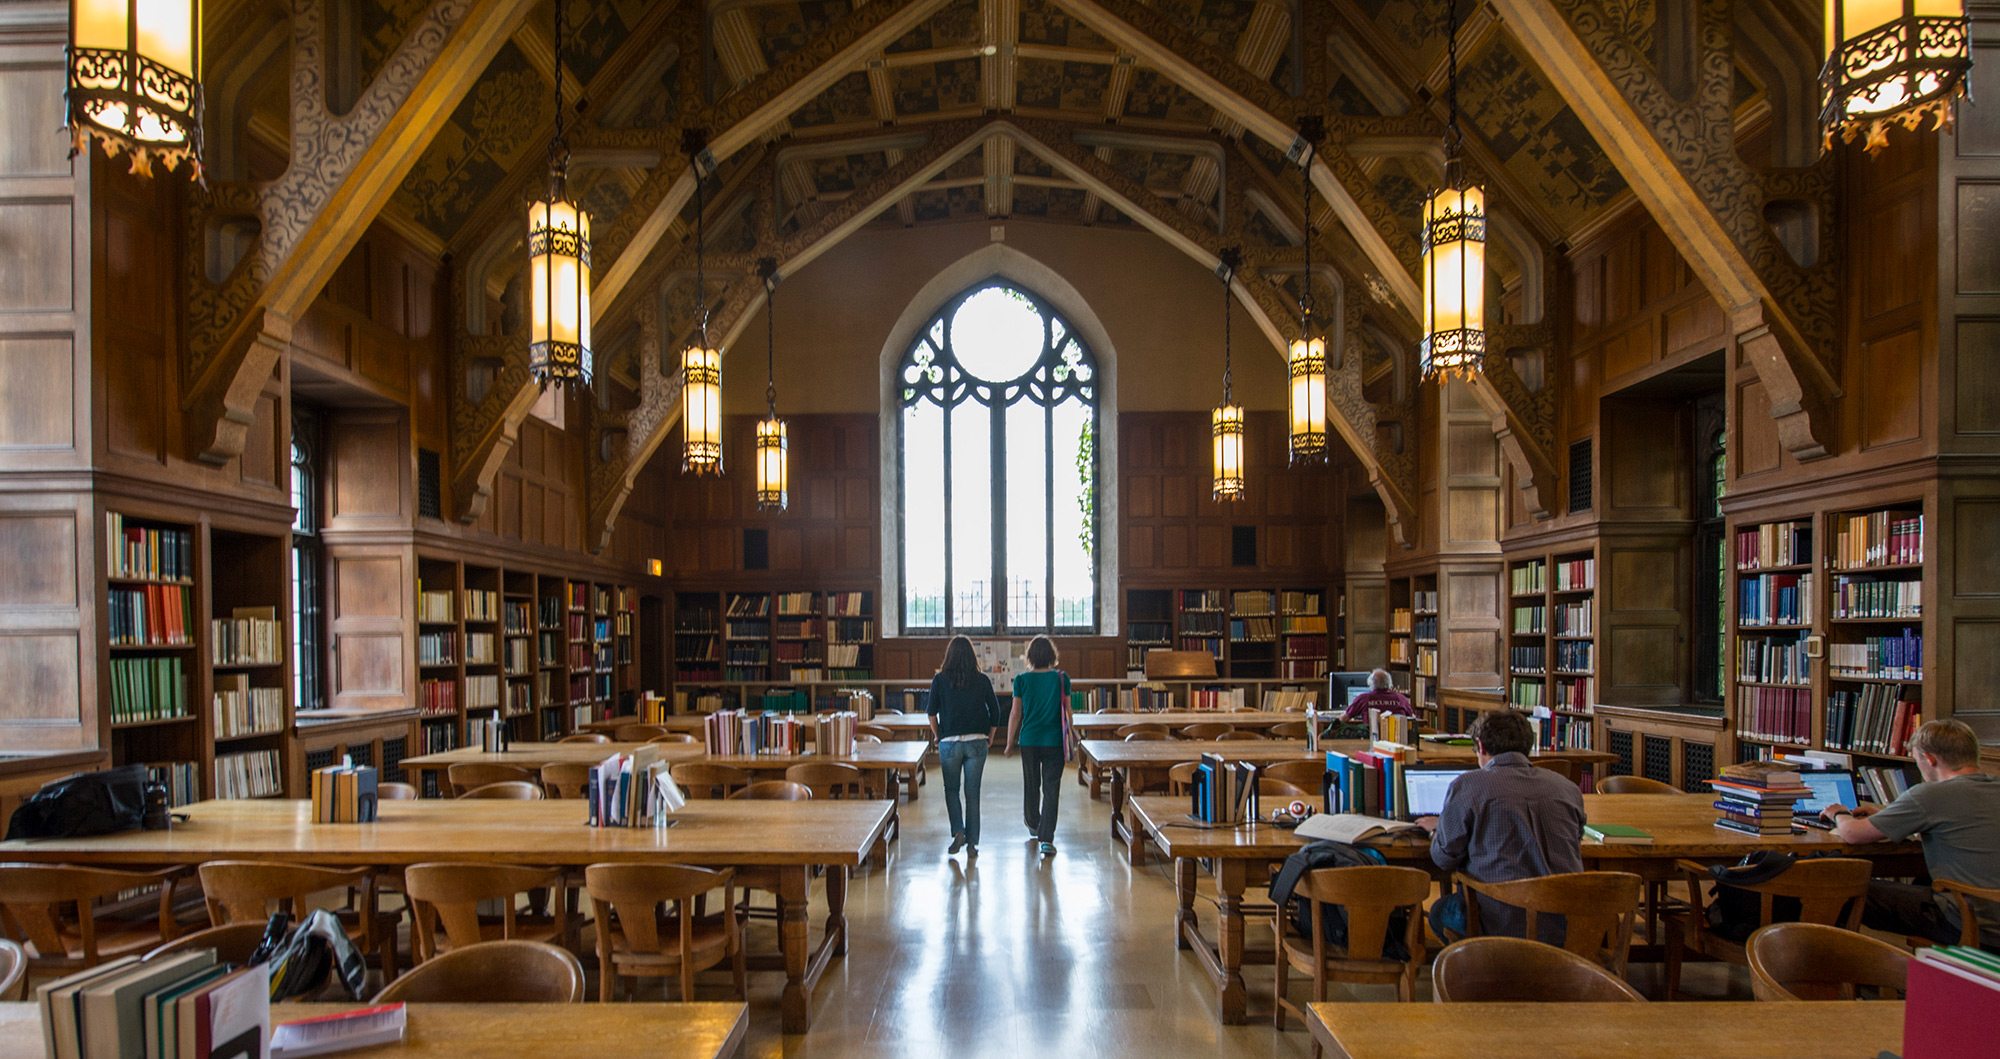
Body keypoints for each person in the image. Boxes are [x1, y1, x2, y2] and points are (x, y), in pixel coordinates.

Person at [1821, 718, 2000, 950]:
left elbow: (1852, 833)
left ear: (1930, 759)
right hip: (1992, 914)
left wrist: (1839, 813)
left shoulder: (1929, 794)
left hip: (1969, 922)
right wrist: (1888, 816)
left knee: (1843, 889)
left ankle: (1846, 971)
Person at [1419, 709, 1585, 941]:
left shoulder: (1468, 785)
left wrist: (1438, 830)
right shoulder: (1567, 788)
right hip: (1567, 928)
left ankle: (1488, 965)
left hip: (1499, 924)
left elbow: (1444, 858)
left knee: (1439, 912)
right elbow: (1576, 839)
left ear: (1481, 745)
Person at [926, 635, 1002, 856]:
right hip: (977, 742)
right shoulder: (982, 680)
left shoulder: (939, 680)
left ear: (948, 656)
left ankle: (958, 830)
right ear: (972, 655)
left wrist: (938, 735)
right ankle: (972, 844)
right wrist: (990, 736)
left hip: (949, 743)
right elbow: (996, 712)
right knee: (973, 792)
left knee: (951, 790)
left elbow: (931, 712)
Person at [1004, 635, 1073, 858]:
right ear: (1052, 656)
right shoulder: (1062, 678)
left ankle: (1033, 823)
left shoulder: (1021, 679)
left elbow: (1015, 714)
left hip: (1029, 740)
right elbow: (1068, 713)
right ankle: (1046, 839)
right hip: (1054, 741)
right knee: (1052, 788)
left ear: (1030, 656)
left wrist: (1009, 742)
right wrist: (1073, 735)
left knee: (1031, 784)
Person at [1341, 668, 1416, 724]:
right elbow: (1412, 718)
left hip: (1371, 738)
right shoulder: (1401, 698)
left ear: (1370, 684)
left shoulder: (1364, 698)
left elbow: (1344, 718)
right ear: (1390, 684)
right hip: (1396, 738)